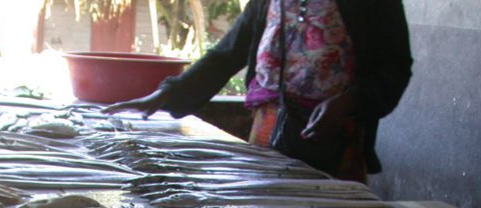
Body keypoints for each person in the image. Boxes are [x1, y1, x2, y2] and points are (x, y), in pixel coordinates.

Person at [104, 0, 412, 182]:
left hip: (333, 136)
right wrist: (168, 94)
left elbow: (396, 66)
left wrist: (352, 101)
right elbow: (227, 54)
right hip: (267, 134)